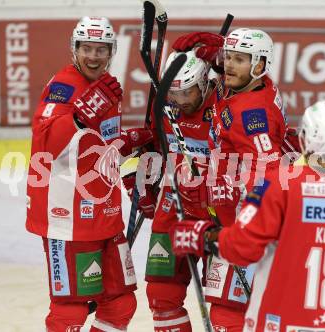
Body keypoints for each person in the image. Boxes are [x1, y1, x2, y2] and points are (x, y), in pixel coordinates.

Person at [169, 100, 325, 331]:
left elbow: (241, 249)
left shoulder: (278, 183)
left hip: (284, 321)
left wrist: (202, 234)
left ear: (305, 138)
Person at [25, 17, 152, 332]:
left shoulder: (107, 88)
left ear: (111, 52)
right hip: (67, 219)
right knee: (71, 311)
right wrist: (81, 115)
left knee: (121, 303)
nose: (93, 56)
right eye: (86, 48)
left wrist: (132, 141)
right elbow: (47, 143)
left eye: (101, 49)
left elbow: (97, 147)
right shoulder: (64, 87)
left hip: (104, 215)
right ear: (74, 49)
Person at [173, 27, 289, 331]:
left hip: (243, 224)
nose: (229, 66)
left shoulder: (253, 115)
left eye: (239, 59)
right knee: (231, 309)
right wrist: (216, 59)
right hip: (234, 219)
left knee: (227, 315)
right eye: (229, 58)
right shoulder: (250, 87)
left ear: (260, 65)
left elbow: (268, 172)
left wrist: (245, 220)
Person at [133, 50, 219, 332]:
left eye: (187, 93)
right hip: (173, 205)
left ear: (205, 82)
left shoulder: (225, 105)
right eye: (174, 94)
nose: (180, 102)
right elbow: (157, 147)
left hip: (216, 210)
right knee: (161, 295)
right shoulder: (165, 106)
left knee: (223, 304)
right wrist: (146, 178)